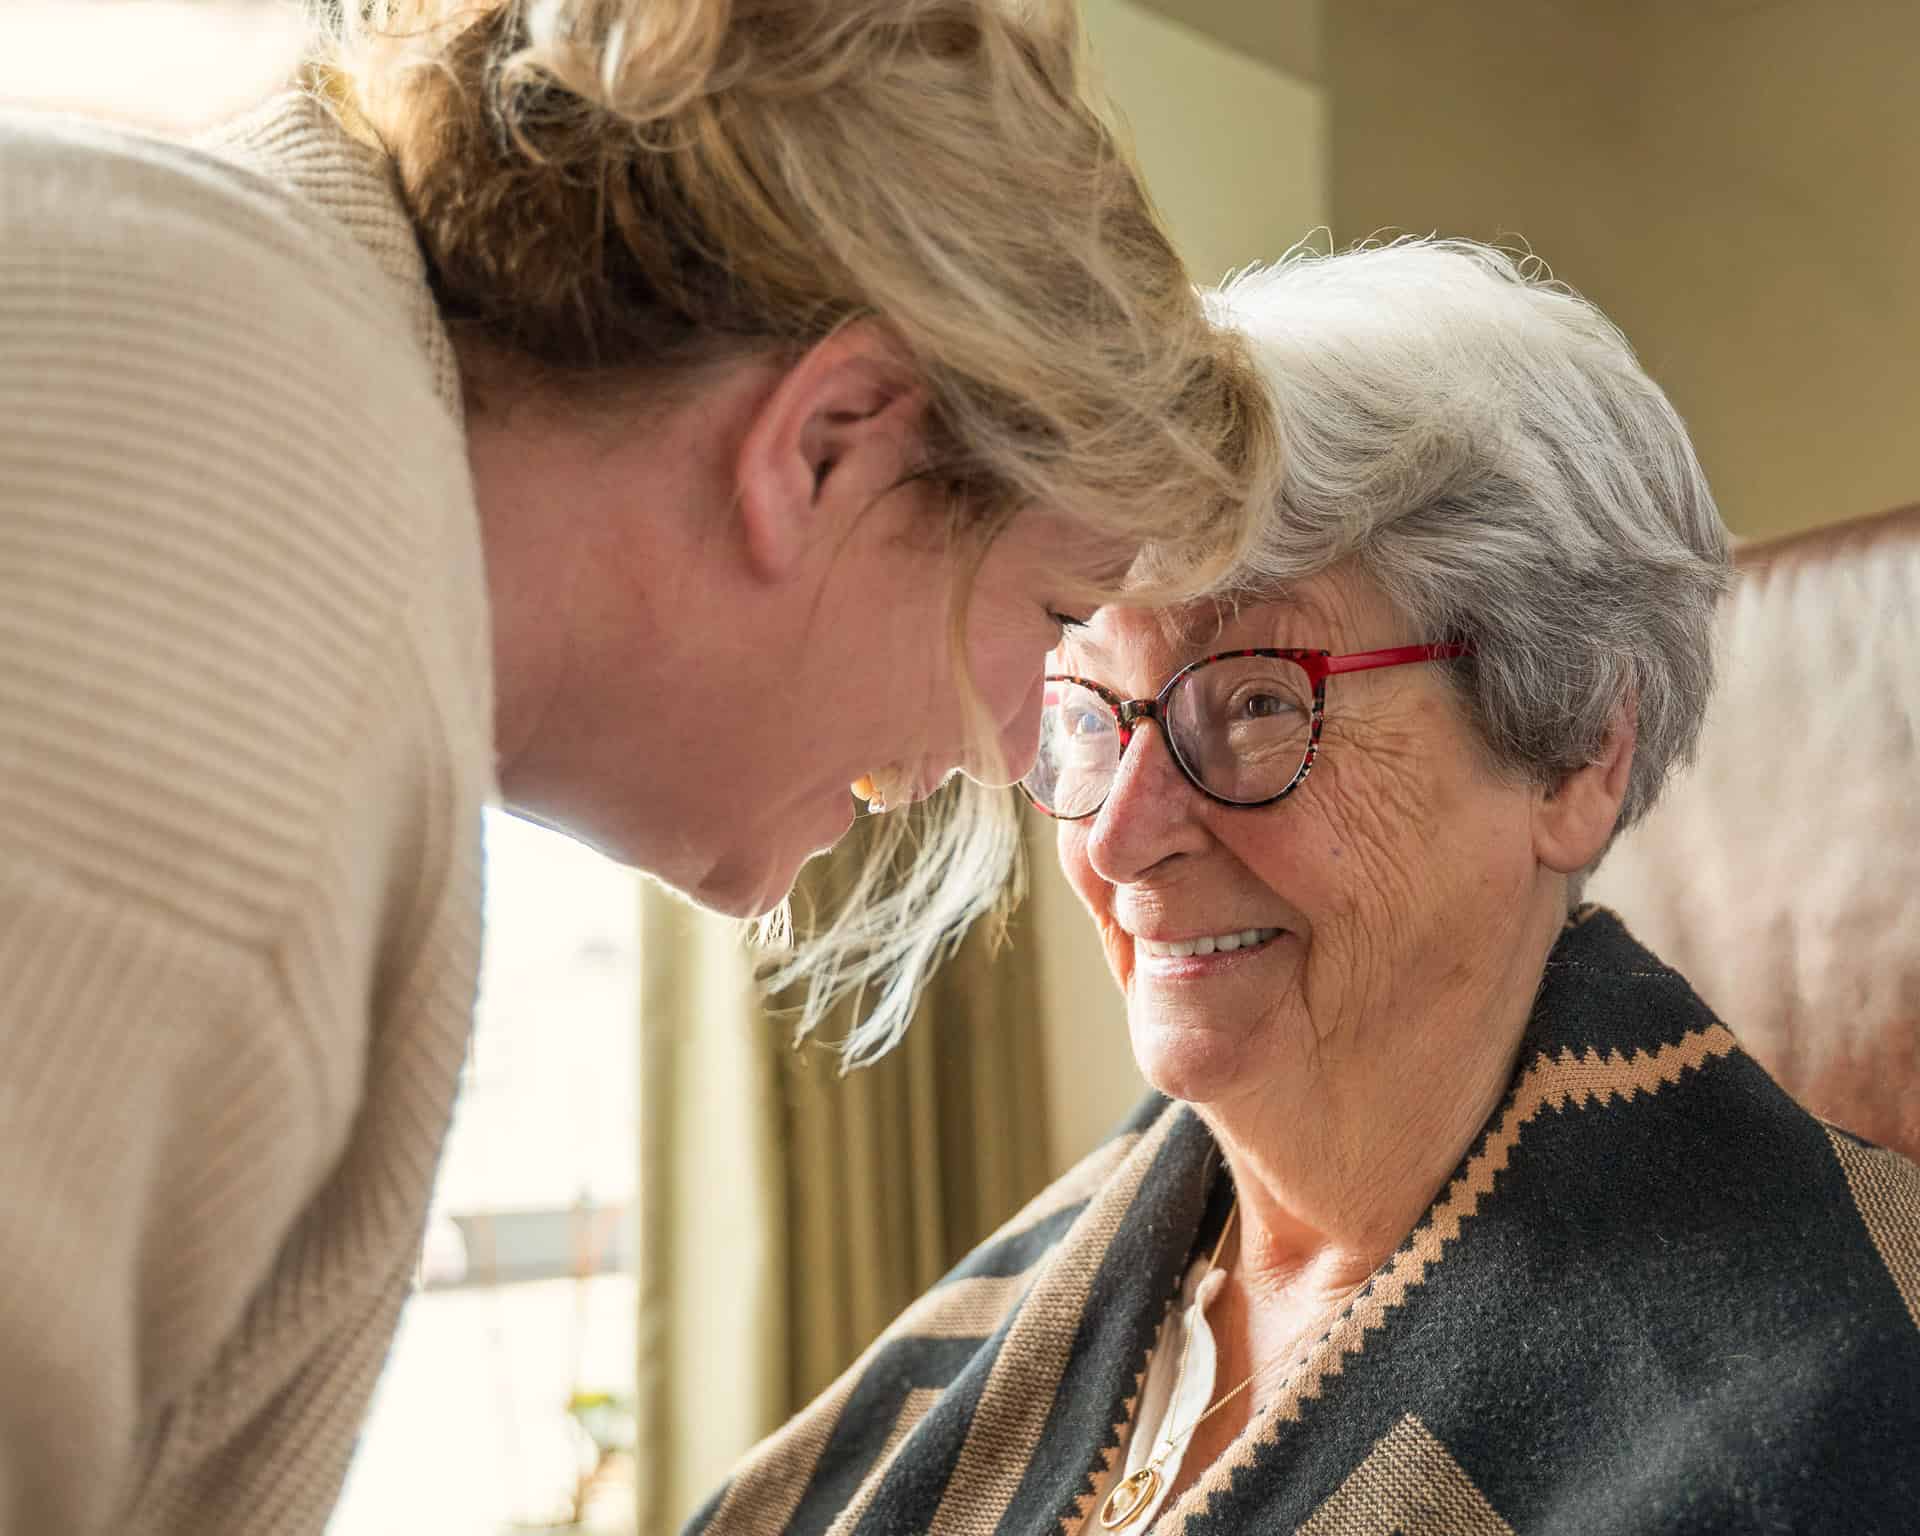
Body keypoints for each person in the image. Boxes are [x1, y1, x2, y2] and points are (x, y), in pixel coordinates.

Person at [0, 1, 1279, 1528]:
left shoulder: (217, 326)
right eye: (1055, 613)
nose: (1020, 756)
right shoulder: (242, 665)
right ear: (827, 447)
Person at [688, 240, 1920, 1534]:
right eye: (1086, 712)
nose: (1119, 836)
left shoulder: (1819, 1420)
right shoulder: (1109, 1252)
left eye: (1258, 704)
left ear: (1576, 753)